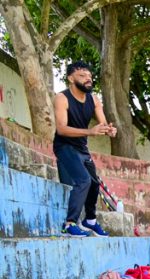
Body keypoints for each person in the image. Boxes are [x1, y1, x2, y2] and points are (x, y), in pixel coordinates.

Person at [53, 61, 117, 237]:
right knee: (83, 180)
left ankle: (90, 221)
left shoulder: (94, 100)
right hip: (64, 146)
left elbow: (103, 123)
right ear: (71, 78)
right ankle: (70, 223)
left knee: (94, 183)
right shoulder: (62, 98)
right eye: (82, 76)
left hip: (81, 148)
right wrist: (90, 131)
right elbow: (61, 129)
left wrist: (109, 130)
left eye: (89, 76)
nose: (88, 79)